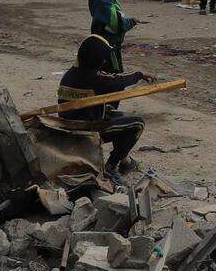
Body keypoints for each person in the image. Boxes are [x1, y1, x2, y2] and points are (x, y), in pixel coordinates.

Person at [56, 36, 149, 176]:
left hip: (69, 125)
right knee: (137, 124)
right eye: (103, 58)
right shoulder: (93, 78)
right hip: (86, 131)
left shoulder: (70, 74)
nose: (105, 61)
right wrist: (139, 75)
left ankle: (126, 161)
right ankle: (111, 166)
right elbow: (119, 81)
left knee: (119, 116)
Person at [89, 0, 136, 69]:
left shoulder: (101, 0)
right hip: (109, 45)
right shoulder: (106, 4)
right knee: (113, 73)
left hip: (101, 44)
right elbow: (117, 25)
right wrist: (131, 22)